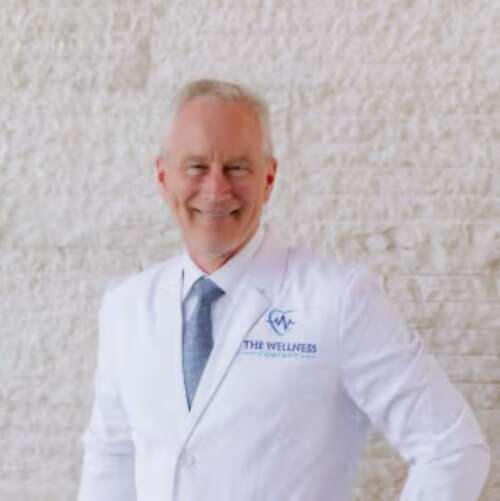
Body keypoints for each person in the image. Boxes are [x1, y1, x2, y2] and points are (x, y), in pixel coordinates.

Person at [77, 79, 490, 501]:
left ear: (269, 178)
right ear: (163, 176)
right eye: (197, 166)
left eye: (237, 168)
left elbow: (452, 449)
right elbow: (111, 456)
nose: (216, 189)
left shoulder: (339, 301)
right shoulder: (126, 307)